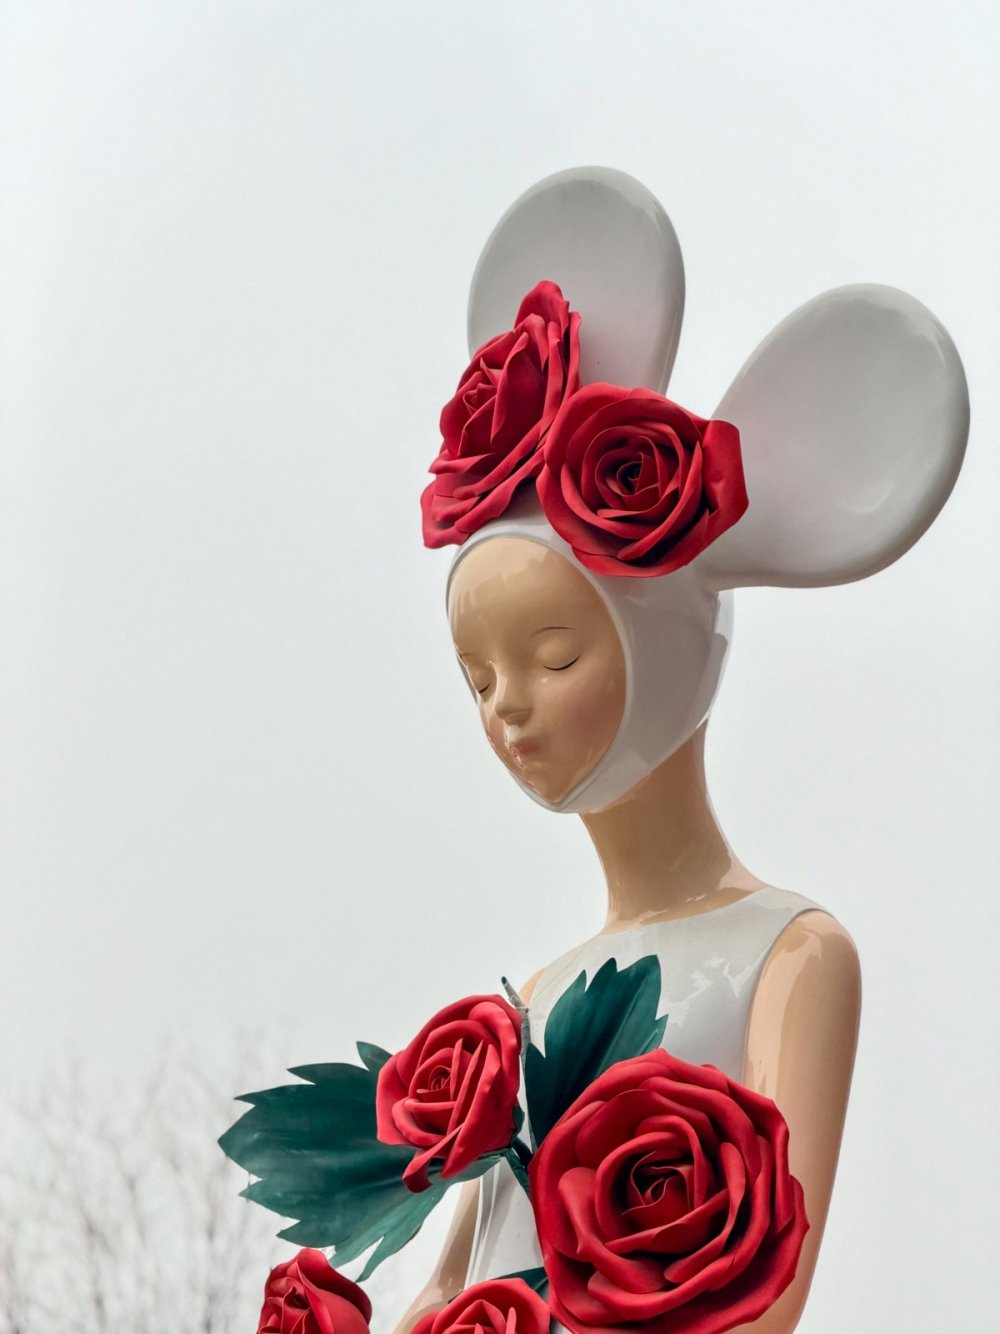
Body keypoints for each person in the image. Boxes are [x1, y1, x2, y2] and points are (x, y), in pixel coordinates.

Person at [396, 166, 969, 1333]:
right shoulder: (535, 1002)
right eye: (478, 675)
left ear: (662, 652)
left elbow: (767, 1299)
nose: (508, 708)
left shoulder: (789, 954)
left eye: (555, 654)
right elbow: (448, 1285)